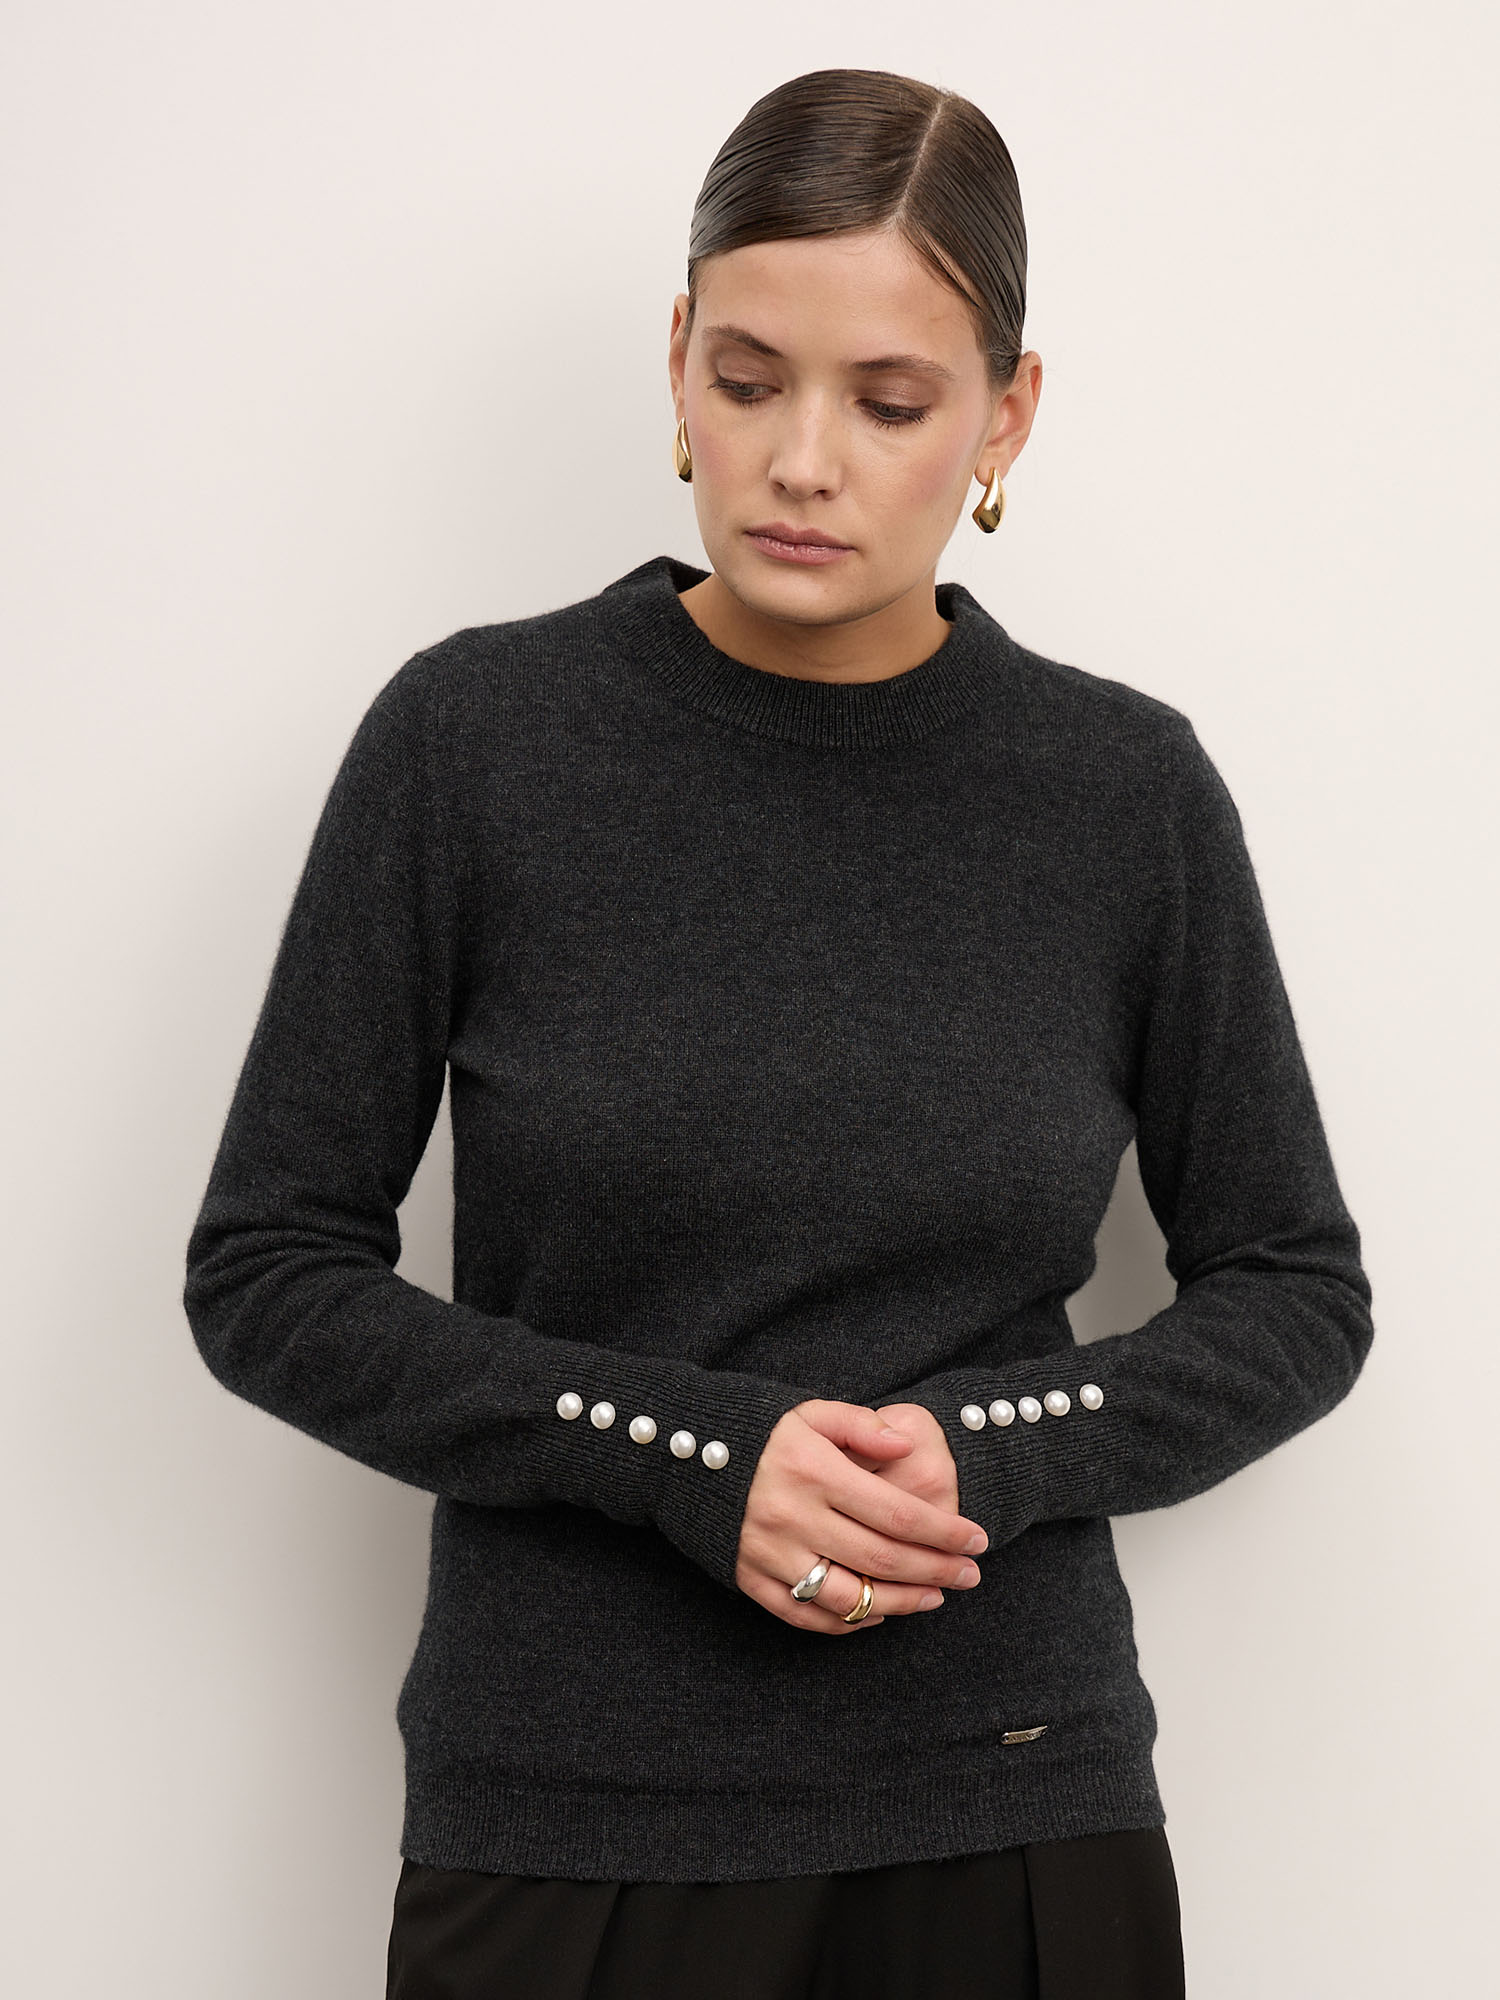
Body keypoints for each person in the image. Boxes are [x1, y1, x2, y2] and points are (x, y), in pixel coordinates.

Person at [183, 66, 1374, 1999]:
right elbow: (268, 1273)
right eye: (748, 381)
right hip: (569, 1822)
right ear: (677, 364)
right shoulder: (474, 749)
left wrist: (984, 1450)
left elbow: (1295, 1289)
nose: (802, 460)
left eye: (890, 404)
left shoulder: (1120, 794)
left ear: (1006, 414)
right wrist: (682, 1451)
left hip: (1013, 1809)